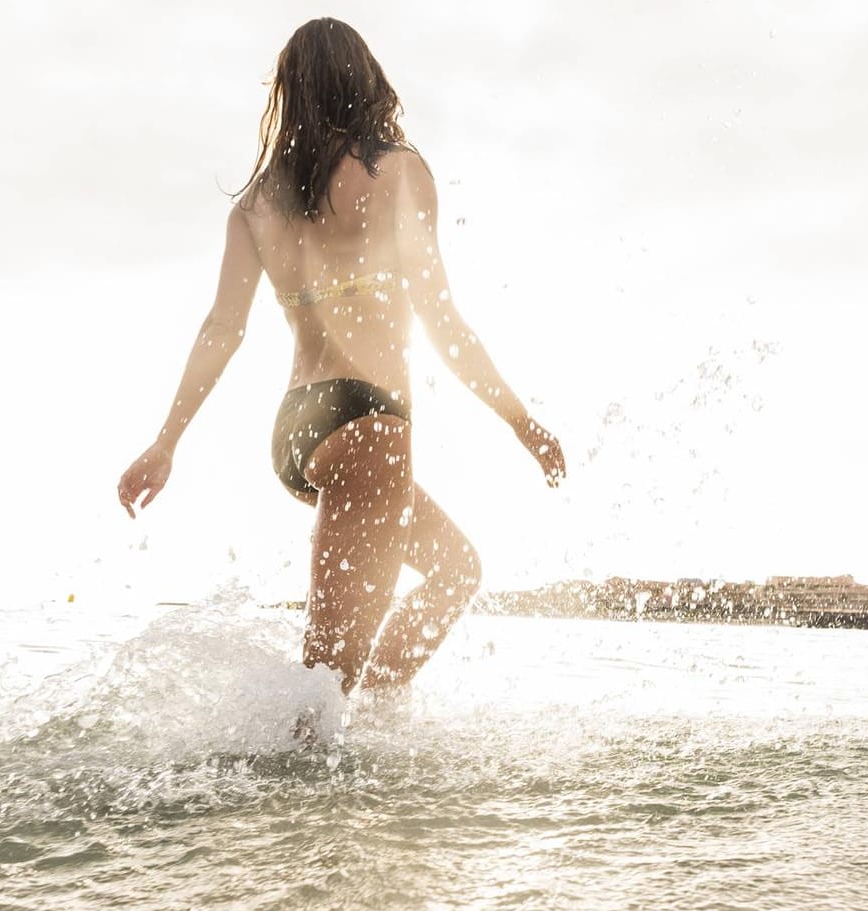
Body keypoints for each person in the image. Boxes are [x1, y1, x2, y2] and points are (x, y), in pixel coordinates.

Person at [116, 18, 565, 695]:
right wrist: (519, 420)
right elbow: (442, 321)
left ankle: (379, 724)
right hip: (367, 423)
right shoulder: (399, 171)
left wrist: (165, 442)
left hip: (298, 431)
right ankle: (306, 760)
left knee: (454, 571)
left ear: (289, 96)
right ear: (365, 80)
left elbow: (221, 329)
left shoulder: (255, 204)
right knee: (324, 686)